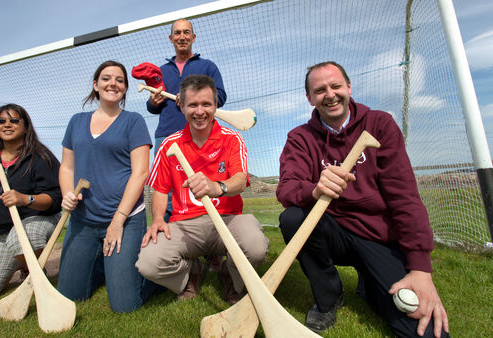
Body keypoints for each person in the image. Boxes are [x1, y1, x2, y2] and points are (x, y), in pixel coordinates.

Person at [276, 61, 449, 337]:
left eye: (335, 86)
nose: (330, 95)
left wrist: (420, 269)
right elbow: (286, 189)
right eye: (320, 90)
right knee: (293, 218)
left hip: (378, 237)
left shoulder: (379, 124)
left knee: (421, 331)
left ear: (349, 87)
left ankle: (370, 282)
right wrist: (315, 189)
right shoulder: (300, 138)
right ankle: (329, 298)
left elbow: (405, 197)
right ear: (309, 98)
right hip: (334, 233)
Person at [136, 75, 269, 305]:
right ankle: (191, 272)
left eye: (206, 104)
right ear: (181, 106)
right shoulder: (169, 144)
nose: (200, 111)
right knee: (148, 262)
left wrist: (218, 187)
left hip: (227, 221)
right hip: (186, 225)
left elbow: (240, 179)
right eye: (193, 105)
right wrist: (158, 218)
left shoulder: (232, 139)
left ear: (216, 106)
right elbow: (159, 189)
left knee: (256, 247)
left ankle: (230, 274)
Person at [56, 60, 157, 313]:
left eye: (120, 80)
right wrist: (67, 193)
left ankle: (161, 278)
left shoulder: (133, 121)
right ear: (95, 85)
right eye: (106, 78)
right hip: (83, 221)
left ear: (124, 89)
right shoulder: (76, 121)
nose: (113, 83)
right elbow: (67, 166)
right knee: (70, 296)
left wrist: (117, 220)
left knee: (125, 305)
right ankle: (106, 265)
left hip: (124, 219)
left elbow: (140, 172)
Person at [0, 103, 62, 301]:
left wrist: (25, 199)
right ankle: (18, 261)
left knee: (21, 236)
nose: (7, 124)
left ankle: (32, 270)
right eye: (1, 121)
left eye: (14, 120)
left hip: (36, 222)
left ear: (25, 126)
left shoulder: (40, 157)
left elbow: (54, 199)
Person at [147, 18, 227, 225]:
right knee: (167, 189)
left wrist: (193, 99)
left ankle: (212, 246)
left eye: (186, 32)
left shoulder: (207, 66)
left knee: (202, 187)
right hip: (167, 136)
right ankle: (169, 240)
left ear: (193, 37)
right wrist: (153, 102)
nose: (182, 37)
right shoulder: (160, 72)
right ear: (170, 38)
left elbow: (221, 96)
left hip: (201, 135)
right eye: (177, 33)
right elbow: (151, 108)